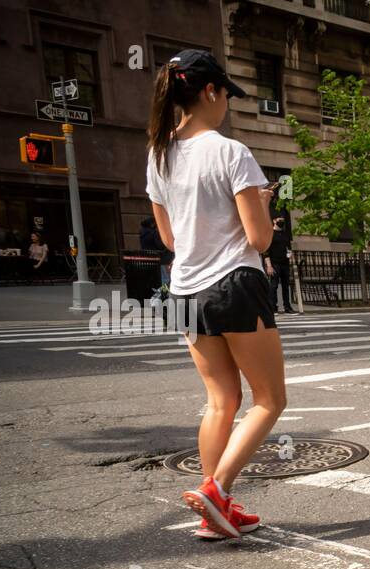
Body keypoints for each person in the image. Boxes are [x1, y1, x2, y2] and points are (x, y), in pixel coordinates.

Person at [145, 49, 285, 540]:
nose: (227, 103)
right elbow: (260, 239)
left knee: (220, 399)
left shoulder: (158, 155)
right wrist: (263, 205)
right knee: (269, 400)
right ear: (210, 91)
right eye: (226, 93)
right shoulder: (231, 152)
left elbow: (170, 240)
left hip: (184, 289)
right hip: (234, 284)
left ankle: (215, 509)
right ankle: (217, 489)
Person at [264, 215, 295, 313]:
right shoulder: (270, 234)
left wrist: (290, 255)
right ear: (274, 220)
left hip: (285, 263)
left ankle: (287, 307)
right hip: (274, 263)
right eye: (280, 220)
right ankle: (273, 307)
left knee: (286, 286)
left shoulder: (285, 234)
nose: (282, 221)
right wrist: (269, 266)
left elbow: (289, 248)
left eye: (283, 220)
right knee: (274, 286)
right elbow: (266, 251)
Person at [139, 216, 174, 287]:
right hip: (161, 259)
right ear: (152, 224)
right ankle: (164, 294)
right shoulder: (154, 233)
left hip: (148, 259)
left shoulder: (142, 233)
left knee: (155, 278)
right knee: (165, 278)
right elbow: (160, 246)